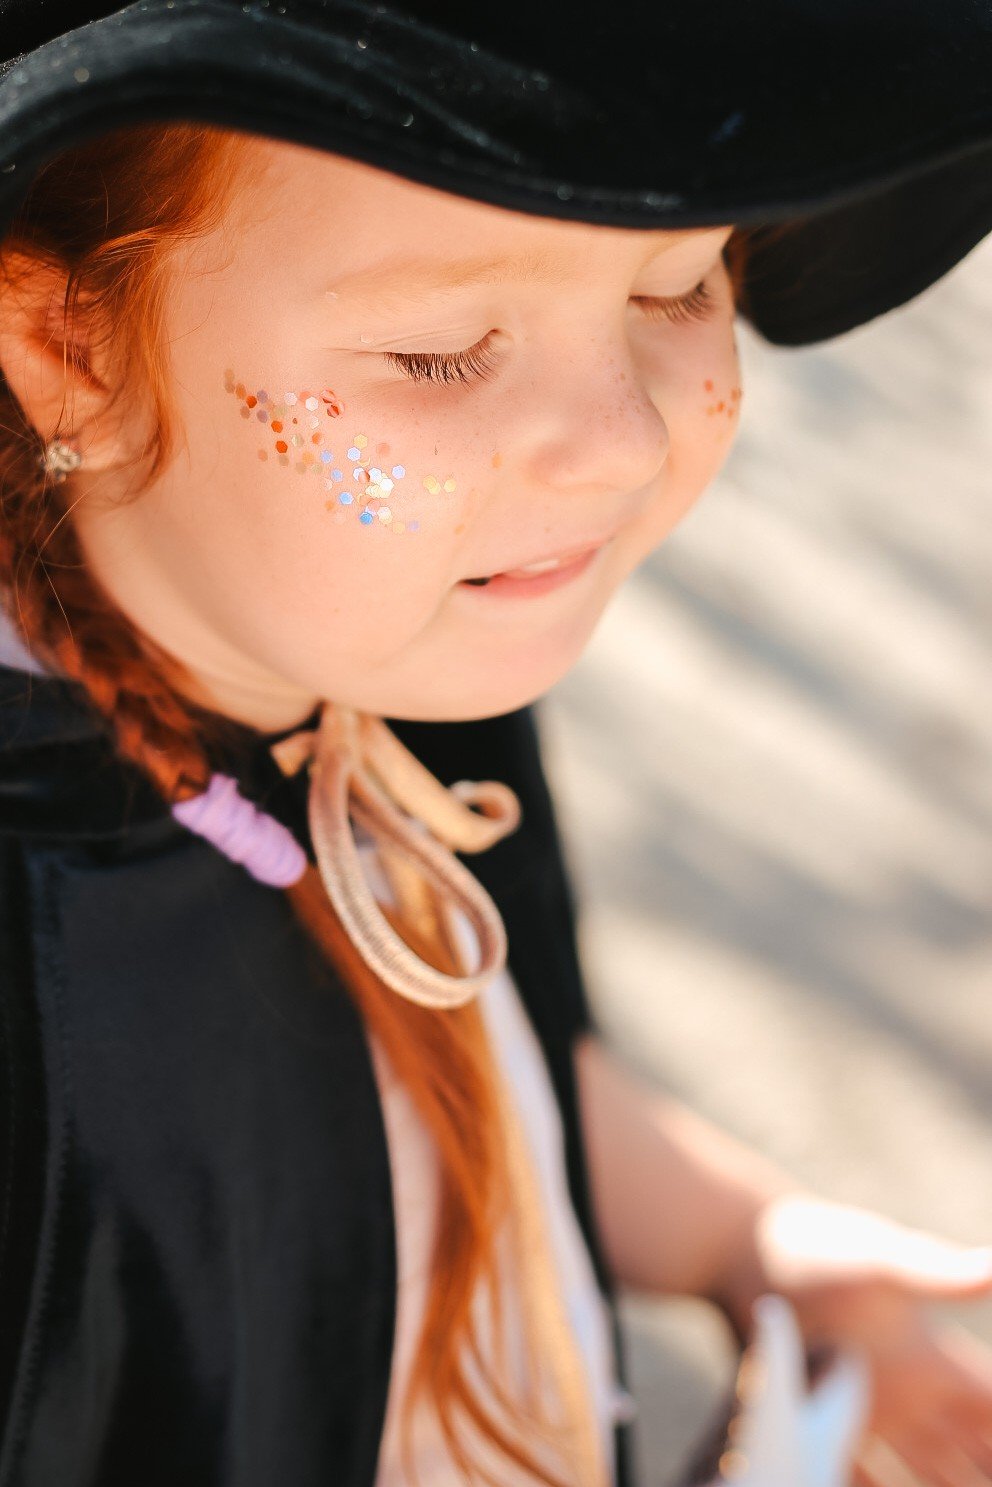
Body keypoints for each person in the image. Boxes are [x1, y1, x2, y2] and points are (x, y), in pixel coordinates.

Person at [0, 4, 990, 1486]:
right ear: (62, 337)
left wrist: (746, 1242)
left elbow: (471, 1025)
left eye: (680, 288)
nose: (623, 442)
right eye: (444, 351)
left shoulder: (393, 657)